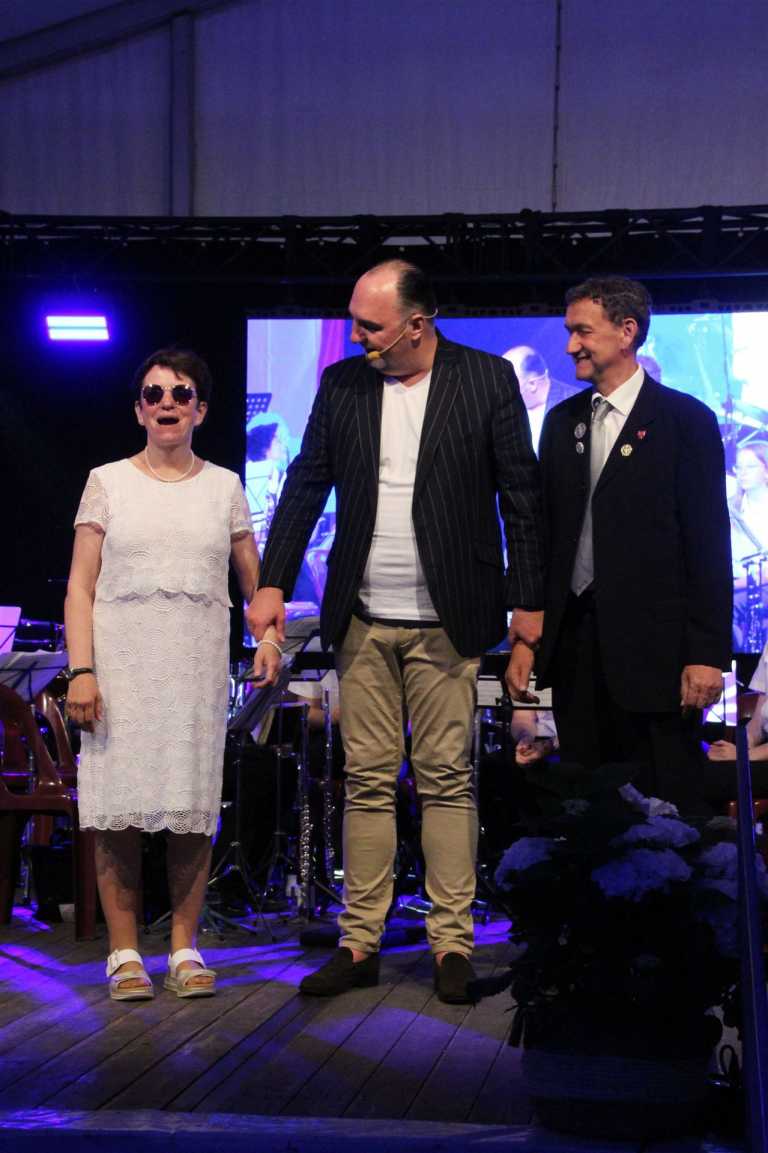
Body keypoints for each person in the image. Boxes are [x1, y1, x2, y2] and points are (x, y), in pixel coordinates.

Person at [247, 260, 545, 1002]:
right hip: (363, 616)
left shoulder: (485, 379)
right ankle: (360, 942)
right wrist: (273, 581)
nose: (357, 336)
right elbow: (306, 483)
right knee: (368, 782)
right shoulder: (343, 384)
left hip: (451, 615)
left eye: (370, 325)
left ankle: (452, 945)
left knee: (446, 778)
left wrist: (529, 605)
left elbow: (522, 496)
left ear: (417, 324)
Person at [64, 348, 280, 1001]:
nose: (167, 403)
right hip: (120, 671)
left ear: (200, 410)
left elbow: (256, 584)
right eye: (154, 394)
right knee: (118, 812)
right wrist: (81, 670)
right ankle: (124, 951)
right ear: (138, 409)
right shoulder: (106, 481)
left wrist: (270, 637)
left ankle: (185, 948)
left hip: (193, 673)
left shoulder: (225, 487)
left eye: (181, 394)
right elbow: (80, 587)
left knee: (191, 811)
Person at [535, 276, 732, 811]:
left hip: (657, 663)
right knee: (586, 815)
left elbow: (708, 543)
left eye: (582, 331)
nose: (570, 345)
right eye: (569, 331)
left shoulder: (685, 421)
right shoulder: (561, 424)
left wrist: (707, 656)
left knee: (662, 817)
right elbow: (546, 536)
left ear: (627, 332)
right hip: (576, 657)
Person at [502, 345, 578, 453]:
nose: (502, 389)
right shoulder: (504, 410)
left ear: (532, 384)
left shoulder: (576, 404)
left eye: (508, 383)